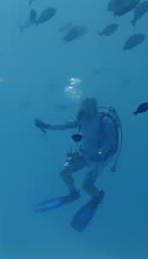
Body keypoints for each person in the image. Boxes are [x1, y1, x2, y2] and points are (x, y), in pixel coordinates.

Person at [32, 97, 121, 232]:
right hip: (83, 155)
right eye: (82, 105)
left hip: (98, 159)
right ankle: (73, 193)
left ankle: (97, 197)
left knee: (87, 186)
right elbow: (64, 126)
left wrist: (99, 153)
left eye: (86, 105)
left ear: (94, 106)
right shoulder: (82, 119)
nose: (83, 108)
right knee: (64, 172)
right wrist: (47, 125)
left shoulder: (105, 120)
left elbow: (111, 143)